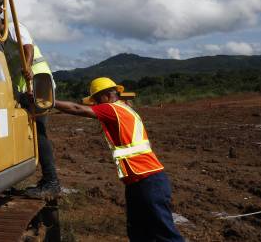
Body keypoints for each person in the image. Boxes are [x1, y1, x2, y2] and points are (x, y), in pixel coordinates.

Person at [54, 78, 184, 241]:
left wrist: (49, 102)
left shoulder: (112, 109)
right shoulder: (125, 109)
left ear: (107, 96)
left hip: (148, 180)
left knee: (164, 233)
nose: (95, 105)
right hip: (137, 181)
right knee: (138, 232)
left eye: (96, 100)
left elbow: (76, 108)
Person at [0, 14, 60, 197]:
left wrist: (27, 67)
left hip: (39, 82)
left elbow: (27, 47)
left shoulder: (13, 27)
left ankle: (51, 181)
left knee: (39, 131)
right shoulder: (1, 40)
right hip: (24, 89)